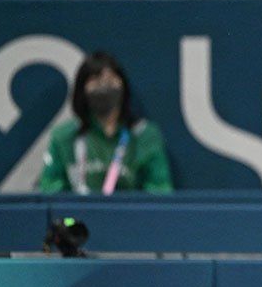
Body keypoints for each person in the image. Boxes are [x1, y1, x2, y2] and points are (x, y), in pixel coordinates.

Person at [40, 52, 173, 194]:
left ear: (123, 86)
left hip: (129, 215)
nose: (104, 86)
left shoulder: (145, 135)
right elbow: (50, 191)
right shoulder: (64, 136)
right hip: (75, 216)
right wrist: (73, 215)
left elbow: (160, 190)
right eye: (96, 80)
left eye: (110, 80)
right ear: (82, 89)